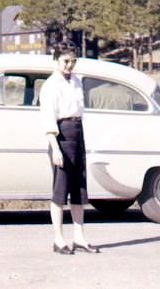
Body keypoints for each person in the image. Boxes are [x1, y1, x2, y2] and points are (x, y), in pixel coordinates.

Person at [39, 44, 100, 255]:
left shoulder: (76, 81)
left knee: (78, 190)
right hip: (61, 137)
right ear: (56, 60)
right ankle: (58, 239)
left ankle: (79, 238)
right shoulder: (50, 85)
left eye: (73, 61)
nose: (69, 65)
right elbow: (48, 118)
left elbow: (79, 112)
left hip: (77, 134)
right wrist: (55, 148)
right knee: (60, 191)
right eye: (66, 61)